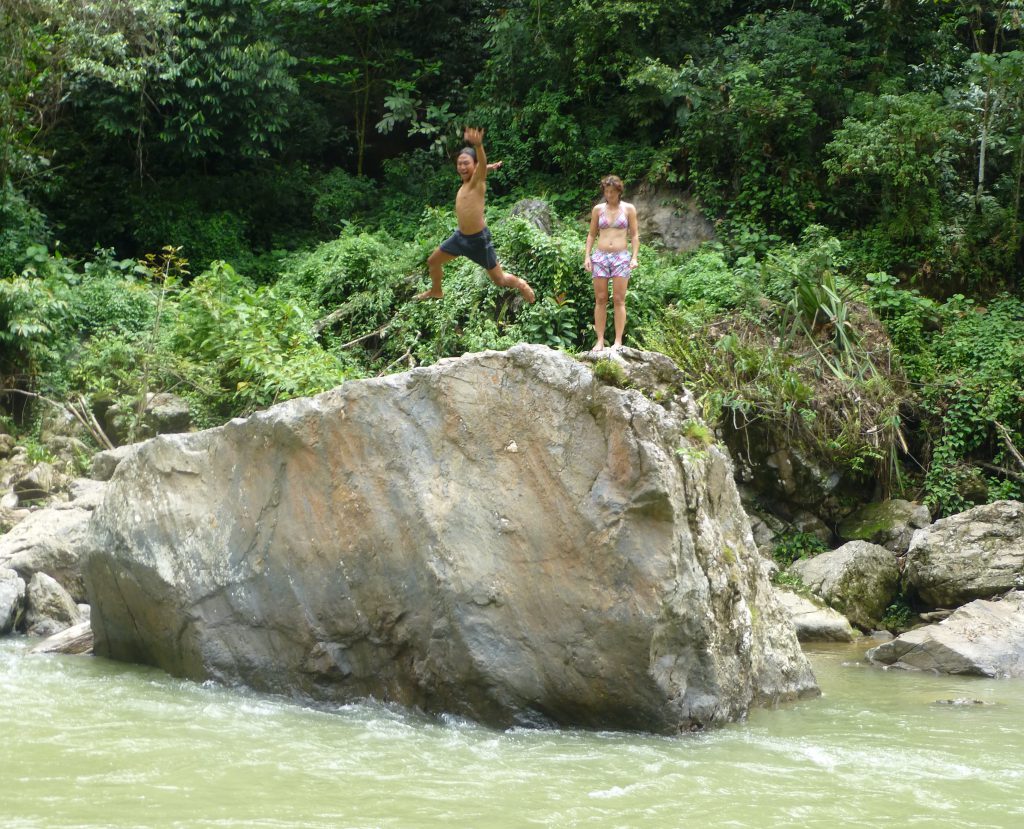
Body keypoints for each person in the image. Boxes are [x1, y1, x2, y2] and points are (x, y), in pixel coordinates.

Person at [416, 127, 535, 303]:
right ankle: (436, 291)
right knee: (433, 261)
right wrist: (489, 167)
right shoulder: (464, 185)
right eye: (459, 163)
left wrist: (479, 146)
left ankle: (522, 285)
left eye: (466, 163)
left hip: (479, 241)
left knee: (499, 280)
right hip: (460, 238)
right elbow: (481, 168)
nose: (462, 167)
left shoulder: (477, 182)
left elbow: (480, 169)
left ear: (475, 165)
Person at [583, 175, 639, 351]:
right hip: (600, 256)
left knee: (619, 299)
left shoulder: (628, 209)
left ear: (618, 191)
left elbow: (635, 234)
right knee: (600, 298)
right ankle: (599, 340)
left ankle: (618, 341)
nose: (609, 194)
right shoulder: (598, 210)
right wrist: (587, 256)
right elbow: (591, 234)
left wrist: (634, 257)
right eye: (606, 191)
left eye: (612, 192)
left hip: (621, 257)